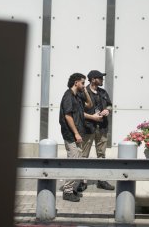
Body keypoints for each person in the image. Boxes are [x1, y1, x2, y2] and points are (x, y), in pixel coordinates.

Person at [59, 72, 93, 202]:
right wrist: (76, 134)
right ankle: (67, 192)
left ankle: (71, 189)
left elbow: (89, 105)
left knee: (76, 161)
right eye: (83, 83)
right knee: (73, 162)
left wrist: (85, 91)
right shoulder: (68, 96)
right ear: (76, 83)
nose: (85, 85)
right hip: (71, 135)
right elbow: (68, 116)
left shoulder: (77, 97)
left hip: (77, 134)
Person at [79, 70, 115, 191]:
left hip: (102, 128)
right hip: (88, 128)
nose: (102, 80)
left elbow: (110, 105)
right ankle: (82, 182)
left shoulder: (103, 92)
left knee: (101, 155)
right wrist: (92, 117)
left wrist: (107, 110)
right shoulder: (83, 92)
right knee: (84, 155)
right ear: (93, 79)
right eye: (100, 78)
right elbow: (79, 112)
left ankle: (101, 180)